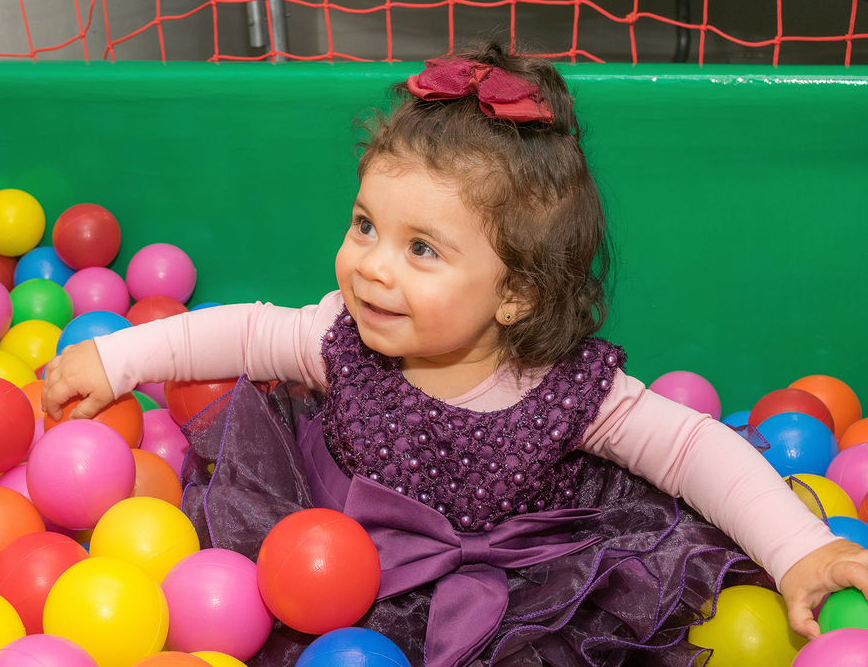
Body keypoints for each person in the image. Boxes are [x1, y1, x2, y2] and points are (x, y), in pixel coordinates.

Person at [43, 41, 868, 666]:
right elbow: (242, 328)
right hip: (333, 559)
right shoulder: (342, 338)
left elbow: (696, 451)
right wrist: (117, 360)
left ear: (515, 294)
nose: (372, 265)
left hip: (524, 597)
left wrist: (801, 550)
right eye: (366, 225)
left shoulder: (568, 392)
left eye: (421, 250)